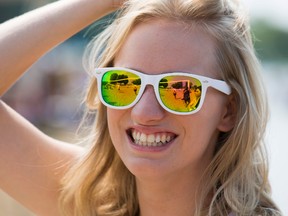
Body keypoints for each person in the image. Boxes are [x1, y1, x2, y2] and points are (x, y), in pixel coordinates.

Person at [0, 0, 282, 215]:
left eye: (179, 89)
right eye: (124, 82)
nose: (144, 112)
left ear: (228, 111)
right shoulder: (88, 202)